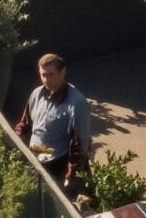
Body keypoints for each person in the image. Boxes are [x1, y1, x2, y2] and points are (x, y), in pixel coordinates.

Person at [16, 53, 91, 183]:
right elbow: (25, 122)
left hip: (57, 165)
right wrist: (14, 142)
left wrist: (71, 175)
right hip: (34, 158)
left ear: (62, 73)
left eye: (51, 74)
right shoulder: (37, 93)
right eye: (43, 75)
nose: (46, 80)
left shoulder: (76, 103)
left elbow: (80, 144)